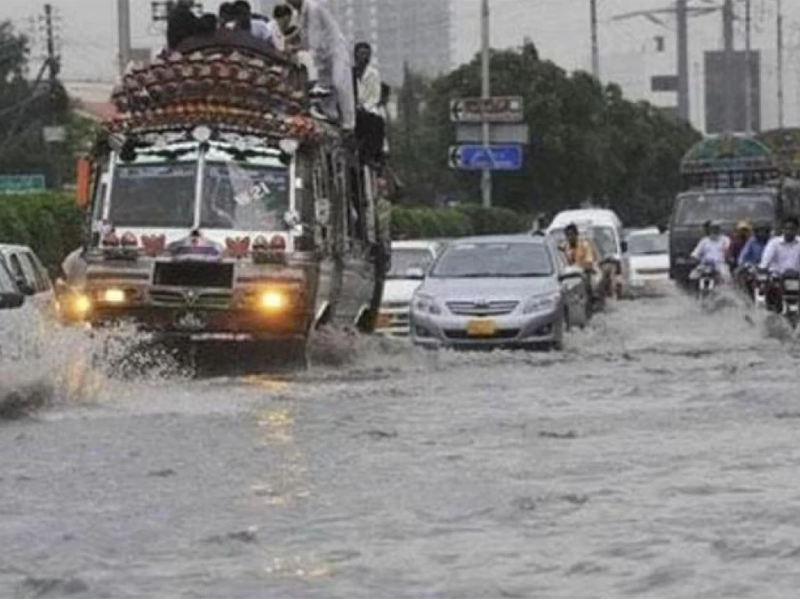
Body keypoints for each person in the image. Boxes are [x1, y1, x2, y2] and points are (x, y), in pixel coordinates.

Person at [286, 0, 356, 131]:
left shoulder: (314, 8)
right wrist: (290, 43)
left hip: (334, 49)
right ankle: (331, 117)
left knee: (340, 83)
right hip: (320, 56)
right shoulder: (298, 16)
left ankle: (349, 123)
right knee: (325, 91)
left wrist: (297, 47)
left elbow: (314, 36)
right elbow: (302, 37)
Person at [354, 42, 385, 164]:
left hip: (368, 109)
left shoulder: (373, 74)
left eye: (367, 54)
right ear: (355, 55)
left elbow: (375, 97)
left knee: (376, 122)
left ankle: (372, 155)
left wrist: (364, 107)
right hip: (351, 109)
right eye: (361, 54)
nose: (364, 57)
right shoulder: (349, 73)